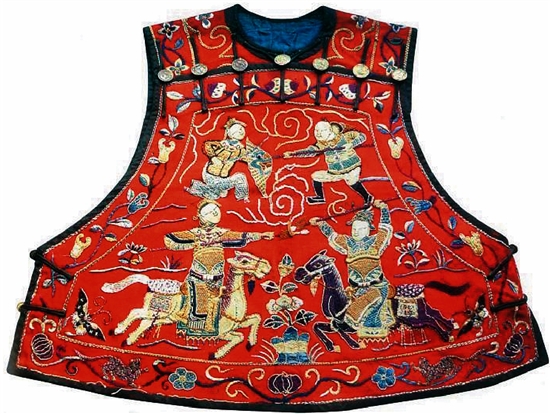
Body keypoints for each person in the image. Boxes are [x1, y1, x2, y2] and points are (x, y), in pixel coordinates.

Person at [164, 199, 274, 335]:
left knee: (222, 302)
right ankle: (193, 327)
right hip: (198, 278)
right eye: (211, 212)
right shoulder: (195, 233)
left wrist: (260, 236)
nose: (215, 214)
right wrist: (192, 244)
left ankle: (221, 325)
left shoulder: (221, 233)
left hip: (217, 278)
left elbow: (238, 236)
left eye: (215, 211)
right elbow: (170, 239)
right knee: (200, 304)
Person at [310, 200, 395, 339]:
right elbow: (333, 236)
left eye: (361, 229)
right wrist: (321, 223)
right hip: (356, 289)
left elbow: (385, 227)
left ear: (368, 229)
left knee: (358, 308)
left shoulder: (376, 241)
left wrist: (384, 208)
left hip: (377, 287)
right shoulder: (348, 243)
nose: (356, 232)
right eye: (354, 229)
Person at [283, 120, 373, 206]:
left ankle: (367, 197)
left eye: (322, 131)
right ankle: (320, 197)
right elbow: (309, 151)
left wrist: (352, 144)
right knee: (316, 176)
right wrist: (293, 154)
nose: (318, 134)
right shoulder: (322, 144)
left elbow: (362, 136)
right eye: (316, 131)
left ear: (329, 130)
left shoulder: (345, 136)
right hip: (335, 172)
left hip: (352, 167)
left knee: (351, 181)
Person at [186, 117, 251, 202]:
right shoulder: (221, 144)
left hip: (223, 177)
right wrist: (213, 157)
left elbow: (248, 157)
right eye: (237, 128)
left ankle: (197, 187)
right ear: (229, 131)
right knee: (239, 178)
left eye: (242, 129)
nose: (240, 131)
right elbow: (207, 145)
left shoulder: (241, 150)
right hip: (211, 176)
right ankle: (241, 198)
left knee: (217, 194)